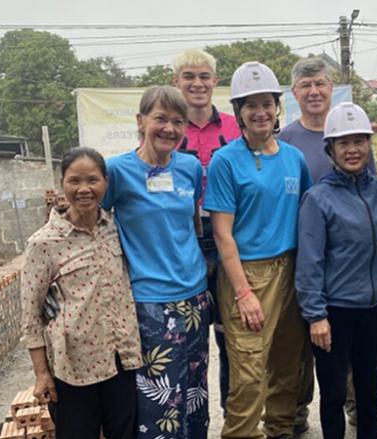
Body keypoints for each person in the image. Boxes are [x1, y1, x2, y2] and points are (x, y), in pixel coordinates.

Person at [204, 61, 311, 439]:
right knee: (249, 372)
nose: (260, 112)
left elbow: (305, 219)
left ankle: (280, 429)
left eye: (266, 103)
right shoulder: (225, 161)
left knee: (287, 363)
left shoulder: (293, 159)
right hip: (247, 272)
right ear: (239, 113)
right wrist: (244, 293)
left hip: (291, 269)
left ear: (277, 107)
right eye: (251, 105)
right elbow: (222, 235)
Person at [278, 56, 377, 437]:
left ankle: (365, 420)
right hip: (321, 281)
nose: (314, 91)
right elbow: (309, 253)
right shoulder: (287, 144)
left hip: (366, 295)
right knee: (326, 378)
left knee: (367, 381)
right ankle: (298, 412)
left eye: (320, 83)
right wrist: (316, 310)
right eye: (306, 85)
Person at [103, 85, 210, 439]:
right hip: (148, 303)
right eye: (160, 118)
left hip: (195, 297)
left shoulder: (190, 167)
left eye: (178, 122)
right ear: (140, 120)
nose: (169, 129)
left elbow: (193, 223)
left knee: (194, 393)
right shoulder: (116, 171)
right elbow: (92, 226)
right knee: (159, 399)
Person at [21, 147, 141, 439]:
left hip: (120, 359)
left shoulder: (115, 227)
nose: (84, 189)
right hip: (73, 369)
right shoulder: (43, 243)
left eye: (93, 180)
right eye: (74, 181)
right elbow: (31, 315)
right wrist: (41, 374)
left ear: (105, 183)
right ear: (62, 183)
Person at [296, 102, 377, 439]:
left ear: (369, 144)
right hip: (335, 311)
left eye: (359, 141)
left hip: (374, 307)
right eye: (343, 143)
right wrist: (315, 315)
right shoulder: (318, 199)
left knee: (370, 389)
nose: (353, 150)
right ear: (331, 149)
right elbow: (309, 262)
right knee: (334, 392)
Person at [172, 48, 241, 415]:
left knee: (230, 335)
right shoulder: (168, 128)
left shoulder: (234, 127)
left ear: (215, 81)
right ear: (176, 82)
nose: (197, 84)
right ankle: (187, 420)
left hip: (228, 236)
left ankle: (234, 418)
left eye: (204, 77)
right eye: (189, 77)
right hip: (184, 241)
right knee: (187, 338)